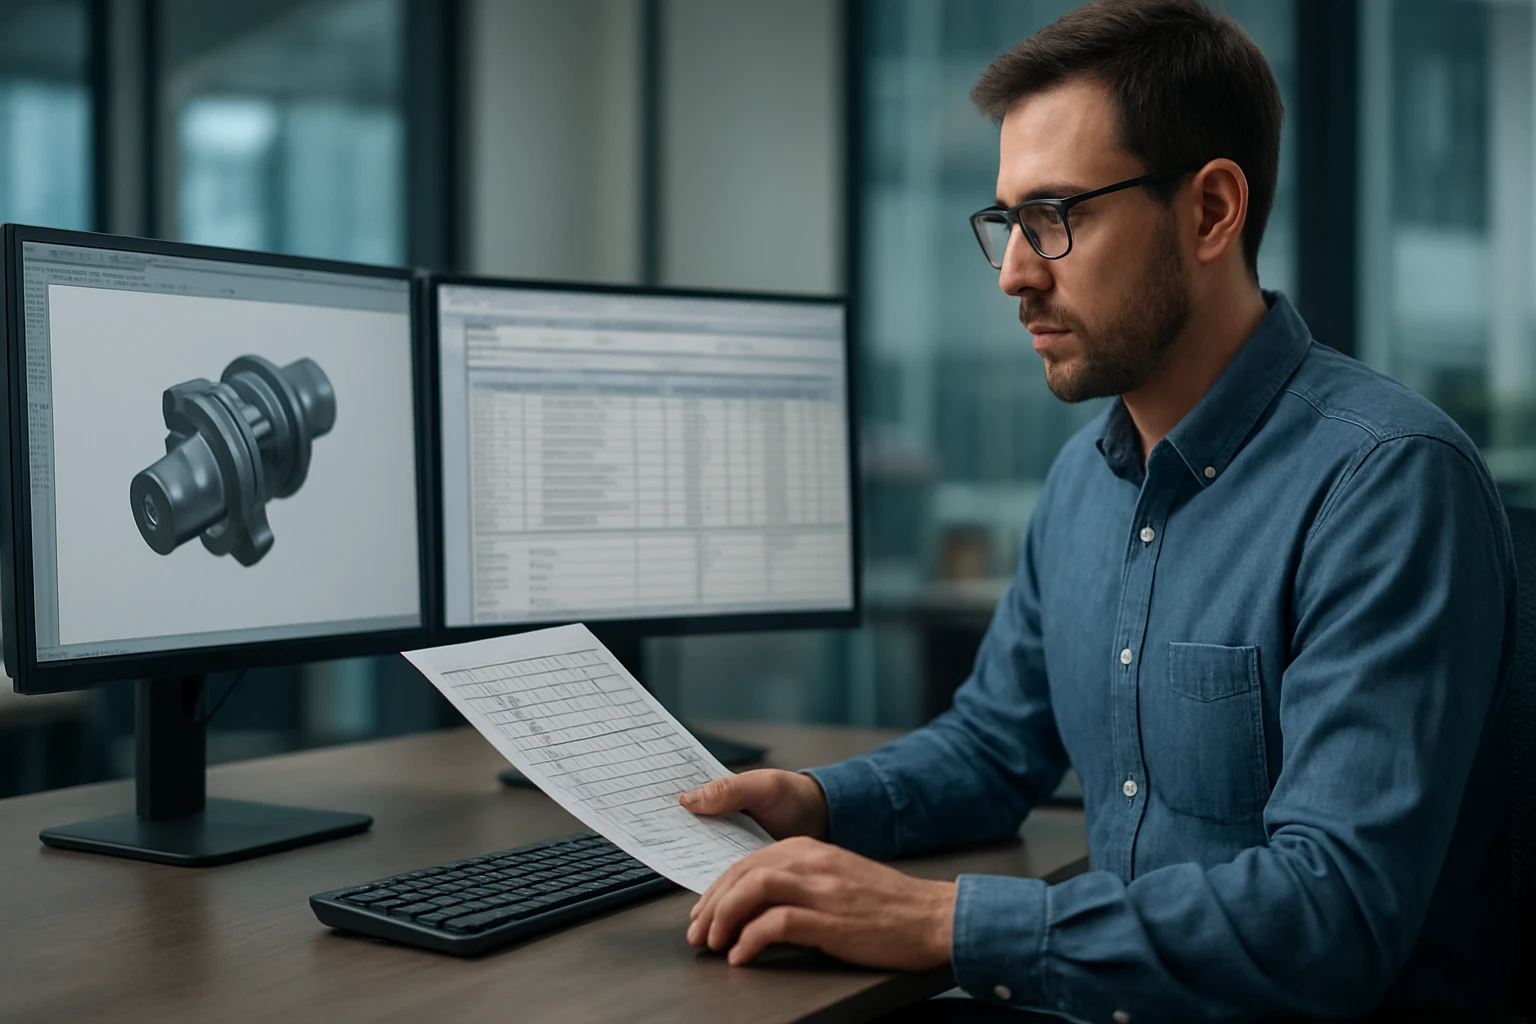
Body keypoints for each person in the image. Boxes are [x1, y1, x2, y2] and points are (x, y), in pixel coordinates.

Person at [677, 0, 1516, 1020]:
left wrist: (942, 923)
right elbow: (993, 748)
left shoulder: (1387, 481)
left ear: (1211, 211)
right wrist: (816, 800)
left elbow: (1329, 915)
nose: (1016, 274)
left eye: (1055, 217)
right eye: (1007, 223)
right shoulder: (1085, 480)